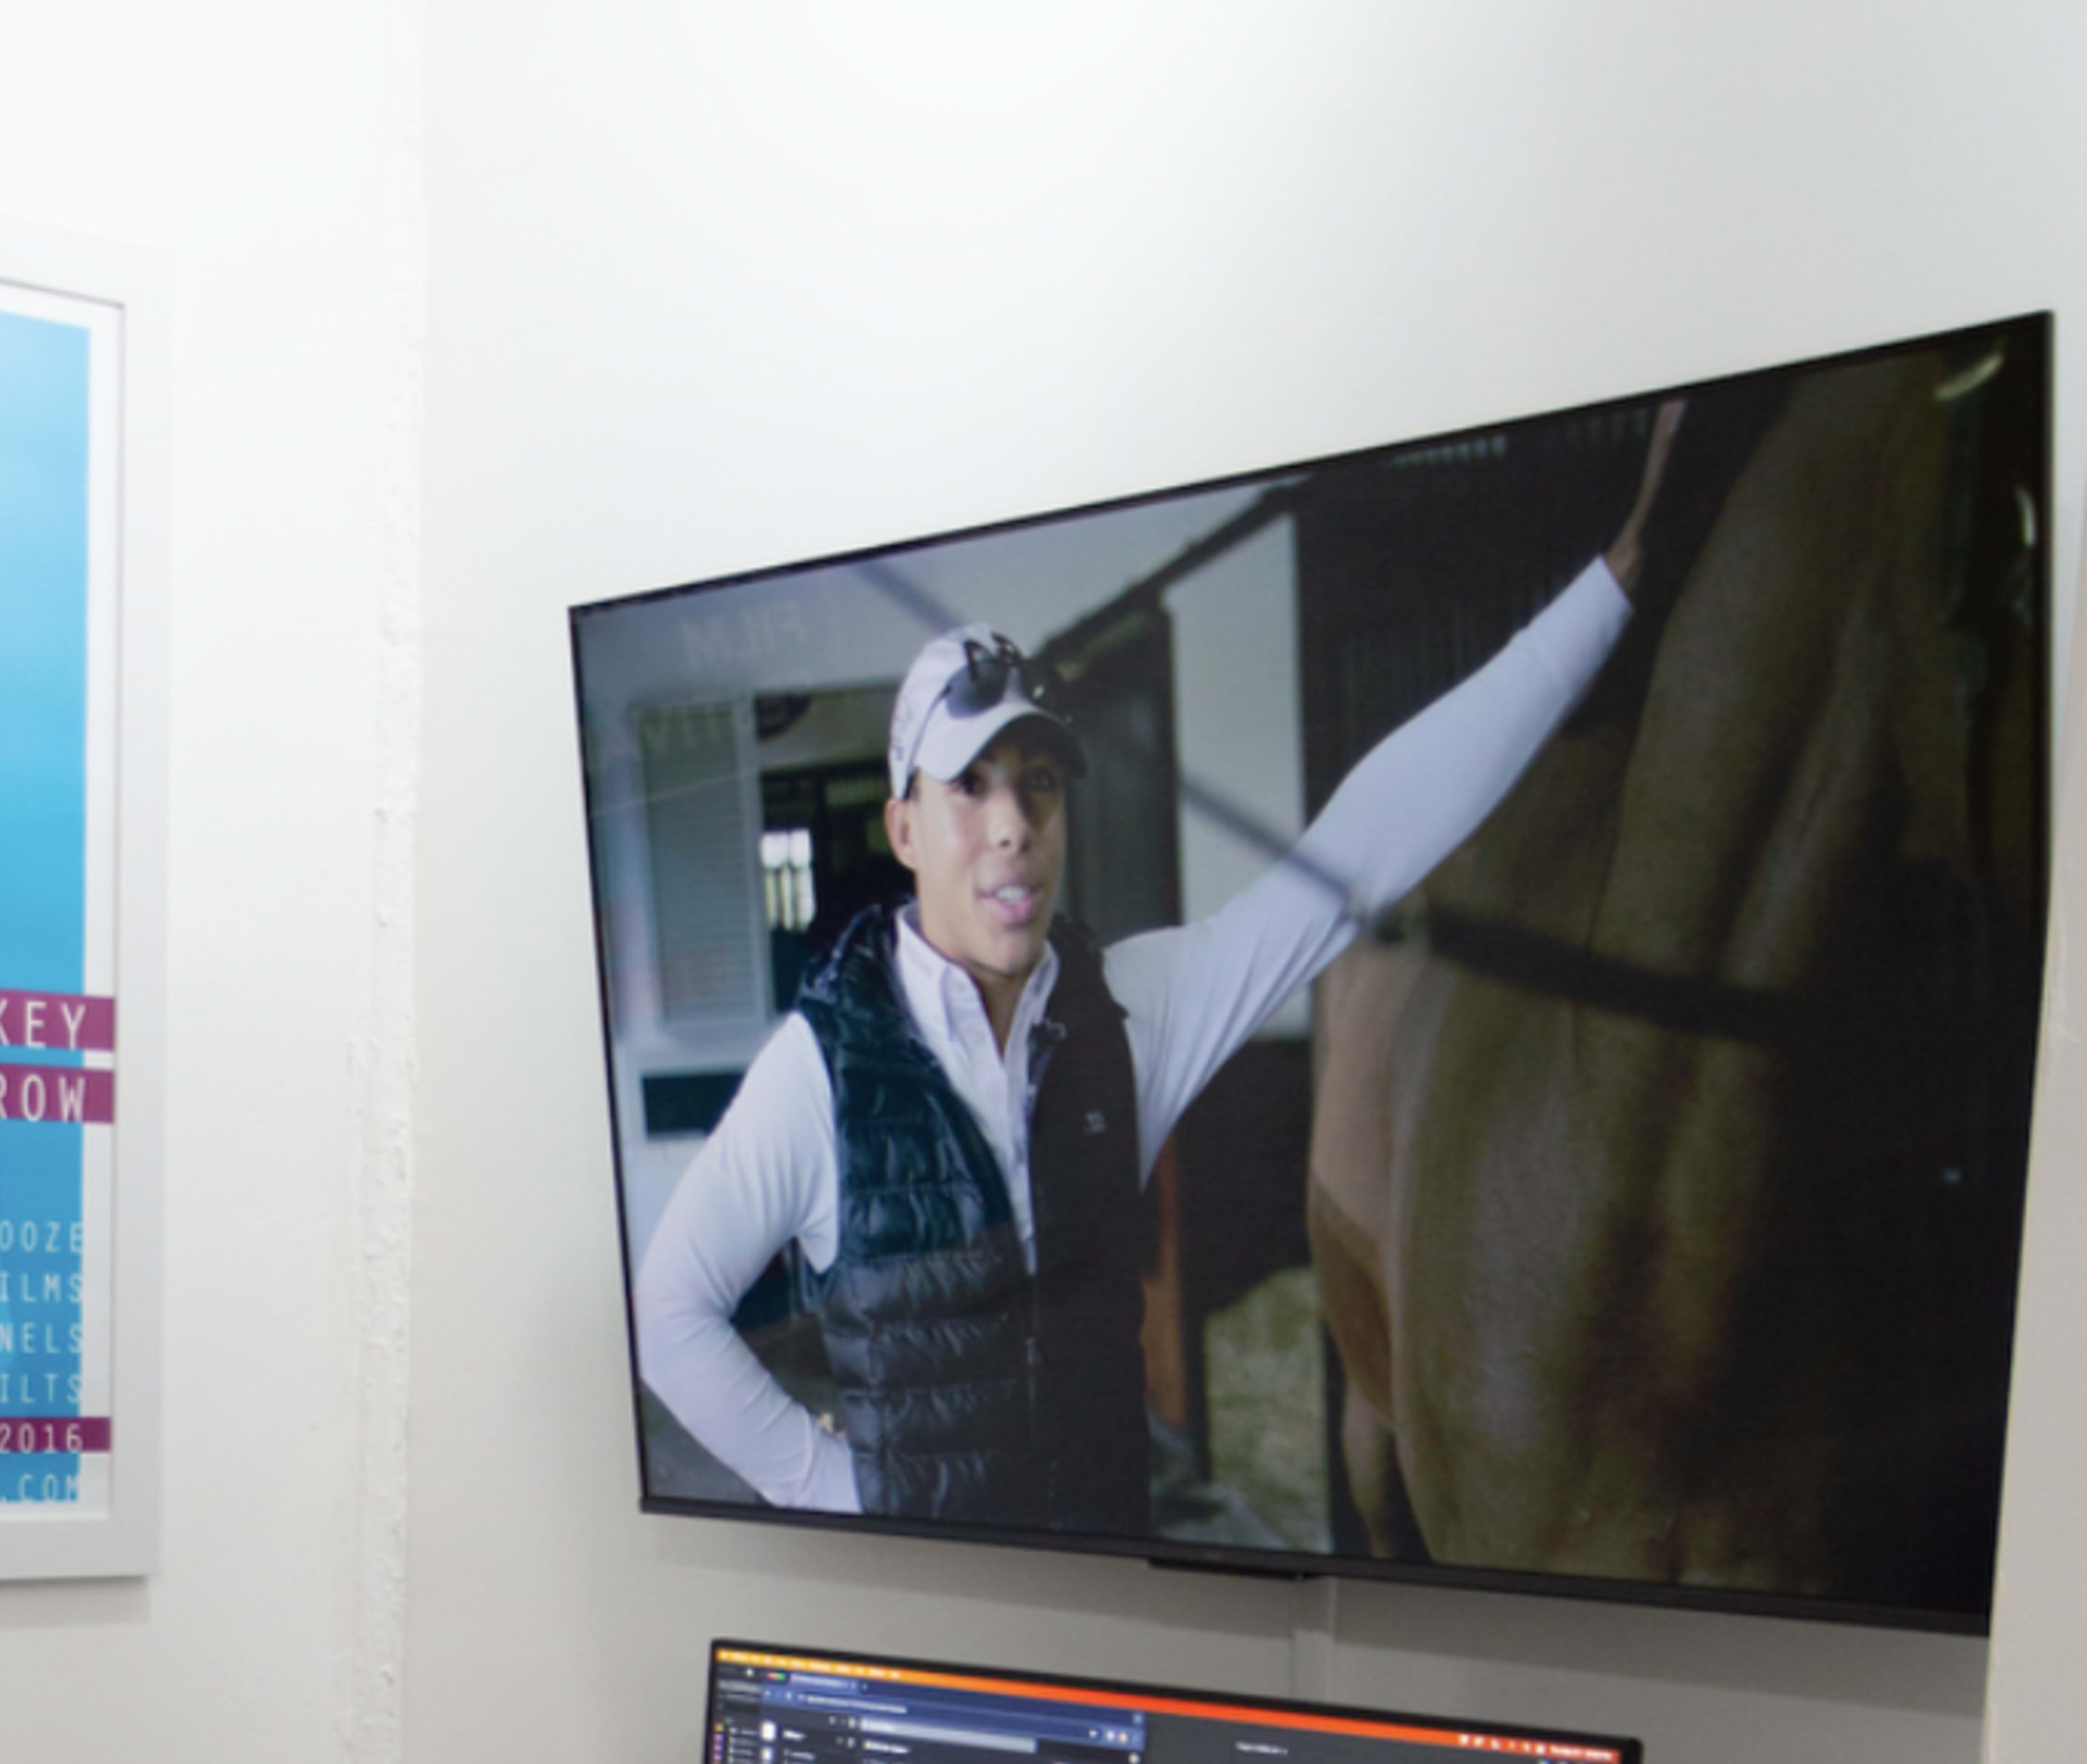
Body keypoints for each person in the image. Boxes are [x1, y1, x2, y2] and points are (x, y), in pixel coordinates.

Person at [633, 413, 1681, 1530]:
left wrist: (1615, 589)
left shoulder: (1129, 1013)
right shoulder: (820, 1073)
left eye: (1037, 781)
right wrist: (836, 1489)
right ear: (902, 829)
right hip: (929, 1612)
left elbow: (1368, 840)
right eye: (969, 787)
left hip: (1104, 1596)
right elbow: (669, 1316)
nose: (1011, 826)